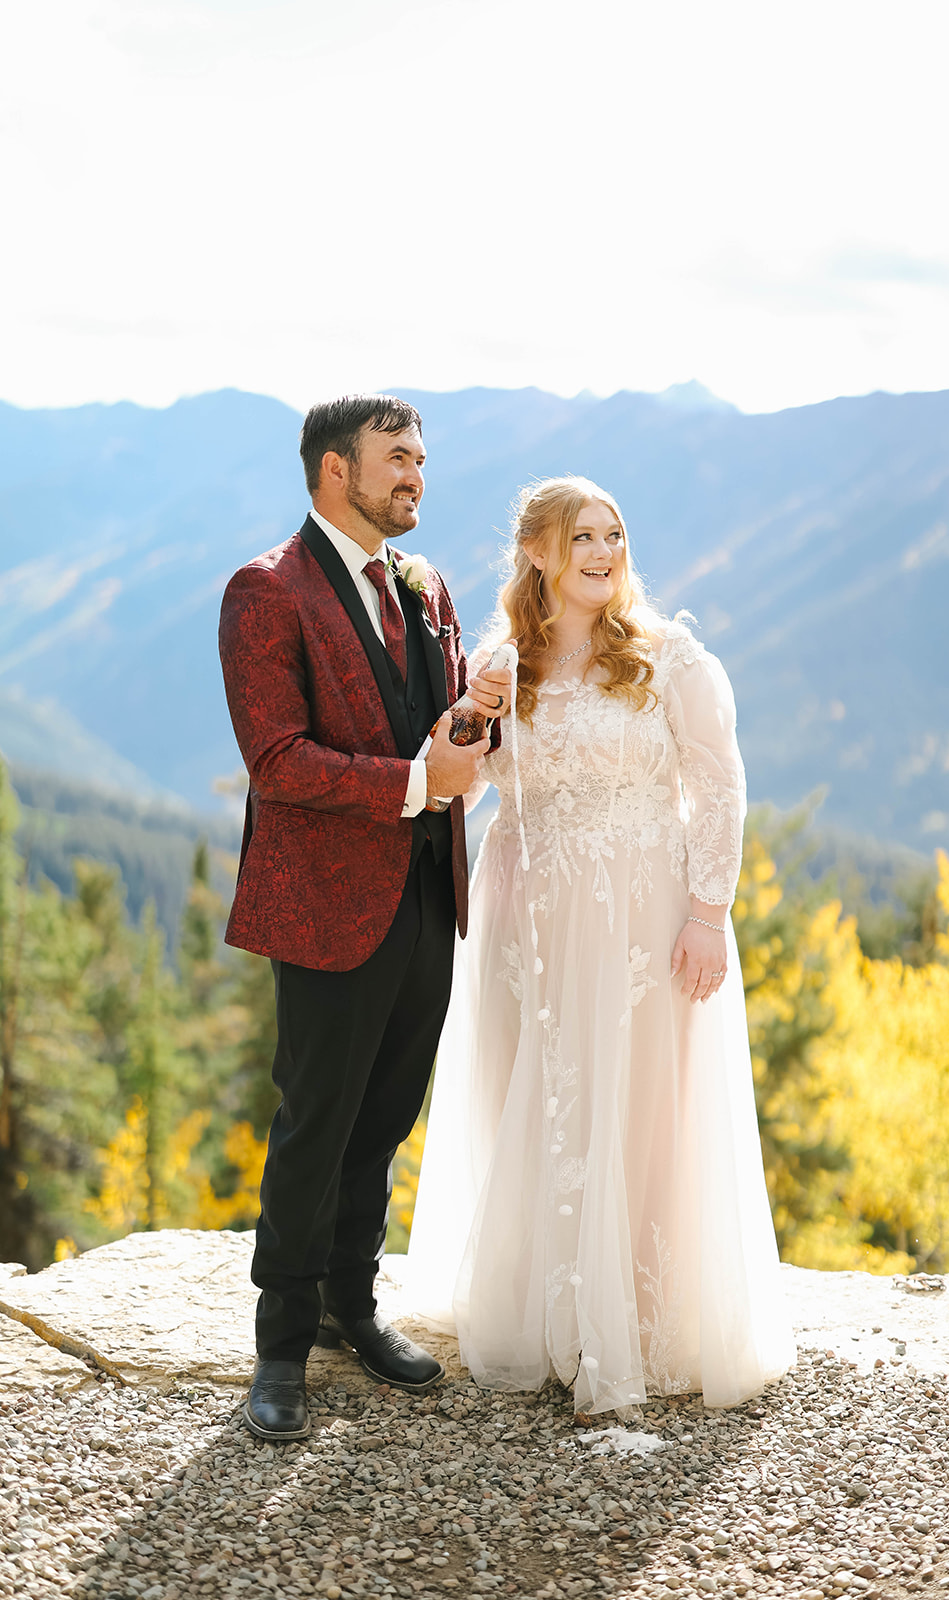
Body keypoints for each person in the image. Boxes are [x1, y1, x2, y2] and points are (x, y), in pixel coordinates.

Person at [407, 475, 795, 1418]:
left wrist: (708, 913)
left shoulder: (671, 659)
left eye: (614, 533)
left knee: (640, 1100)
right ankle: (552, 1310)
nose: (602, 551)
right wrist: (475, 708)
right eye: (582, 535)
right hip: (526, 915)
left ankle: (645, 1318)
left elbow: (720, 788)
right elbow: (460, 780)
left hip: (643, 914)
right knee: (531, 1093)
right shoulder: (503, 663)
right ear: (537, 551)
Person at [218, 393, 511, 1441]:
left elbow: (431, 725)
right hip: (327, 908)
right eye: (397, 459)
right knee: (314, 1125)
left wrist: (476, 718)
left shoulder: (424, 585)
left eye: (421, 459)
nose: (416, 477)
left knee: (384, 1117)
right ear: (334, 470)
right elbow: (277, 761)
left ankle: (351, 1308)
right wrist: (411, 780)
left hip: (429, 889)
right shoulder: (265, 590)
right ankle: (281, 1345)